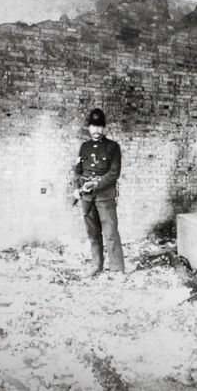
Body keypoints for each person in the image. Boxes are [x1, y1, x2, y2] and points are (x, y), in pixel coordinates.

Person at [73, 108, 126, 277]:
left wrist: (94, 184)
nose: (96, 131)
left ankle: (117, 269)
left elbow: (113, 173)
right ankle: (96, 265)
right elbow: (78, 170)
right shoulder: (85, 147)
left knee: (110, 233)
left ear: (104, 128)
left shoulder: (113, 147)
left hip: (105, 197)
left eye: (99, 126)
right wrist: (76, 188)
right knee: (93, 233)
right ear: (88, 128)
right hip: (87, 198)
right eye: (93, 126)